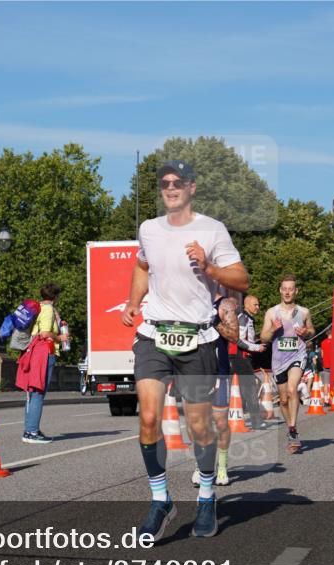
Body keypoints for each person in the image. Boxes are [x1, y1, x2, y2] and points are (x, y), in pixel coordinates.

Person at [121, 160, 249, 541]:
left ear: (192, 187)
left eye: (178, 182)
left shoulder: (212, 229)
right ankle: (160, 499)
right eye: (165, 183)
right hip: (154, 335)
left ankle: (207, 494)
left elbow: (241, 278)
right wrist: (132, 301)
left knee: (198, 427)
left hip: (198, 339)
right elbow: (142, 267)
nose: (171, 188)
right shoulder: (148, 229)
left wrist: (209, 267)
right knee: (147, 417)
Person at [262, 275, 314, 453]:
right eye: (284, 289)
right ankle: (291, 429)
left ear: (296, 291)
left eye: (291, 289)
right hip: (278, 360)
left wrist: (306, 332)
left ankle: (293, 431)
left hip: (297, 356)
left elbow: (311, 331)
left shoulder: (304, 312)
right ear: (280, 291)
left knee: (293, 390)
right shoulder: (271, 313)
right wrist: (272, 329)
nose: (287, 292)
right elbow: (263, 338)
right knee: (283, 400)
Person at [193, 294, 240, 488]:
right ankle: (201, 465)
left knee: (220, 422)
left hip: (220, 373)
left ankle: (221, 466)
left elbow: (235, 336)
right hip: (196, 371)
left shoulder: (225, 304)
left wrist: (213, 323)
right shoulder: (192, 299)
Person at [21, 283, 69, 444]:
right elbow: (45, 333)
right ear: (56, 296)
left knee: (32, 392)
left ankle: (30, 430)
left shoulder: (40, 307)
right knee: (38, 393)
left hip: (33, 351)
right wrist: (60, 338)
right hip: (44, 352)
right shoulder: (48, 310)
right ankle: (32, 432)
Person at [232, 295, 266, 429]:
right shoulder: (243, 318)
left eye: (258, 305)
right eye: (255, 304)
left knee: (244, 389)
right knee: (250, 389)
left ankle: (238, 417)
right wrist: (257, 347)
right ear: (246, 305)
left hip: (245, 357)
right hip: (241, 357)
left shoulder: (248, 318)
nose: (258, 307)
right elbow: (238, 339)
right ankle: (256, 421)